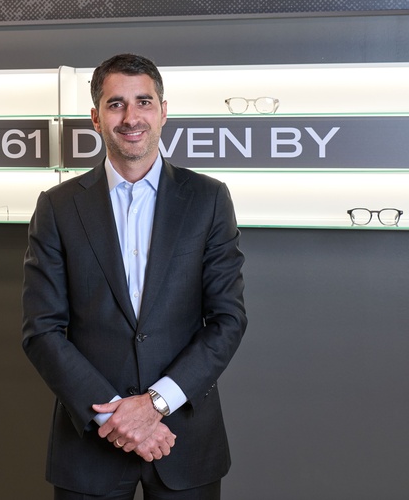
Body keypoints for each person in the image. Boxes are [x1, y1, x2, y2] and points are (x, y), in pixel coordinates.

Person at [22, 53, 248, 500]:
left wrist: (155, 404)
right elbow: (41, 330)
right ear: (96, 118)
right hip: (90, 445)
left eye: (144, 102)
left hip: (184, 439)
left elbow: (228, 320)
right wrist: (116, 417)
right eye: (116, 104)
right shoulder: (57, 207)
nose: (131, 117)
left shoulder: (208, 200)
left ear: (163, 112)